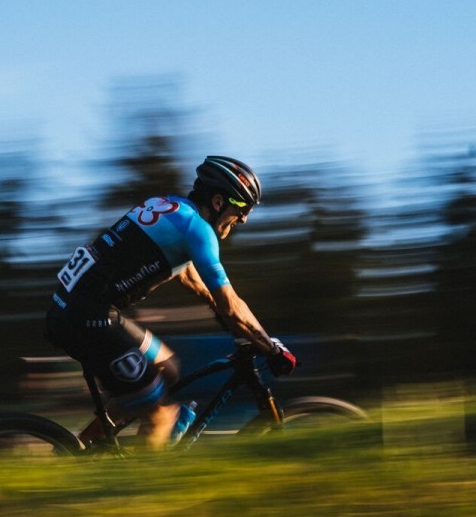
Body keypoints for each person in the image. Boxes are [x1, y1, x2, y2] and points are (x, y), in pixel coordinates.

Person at [44, 155, 296, 449]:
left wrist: (213, 304)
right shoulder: (199, 231)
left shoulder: (169, 207)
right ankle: (140, 489)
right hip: (87, 317)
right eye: (242, 208)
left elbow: (184, 272)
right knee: (162, 415)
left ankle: (80, 448)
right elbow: (232, 305)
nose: (244, 218)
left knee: (166, 367)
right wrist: (271, 347)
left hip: (77, 308)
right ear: (218, 202)